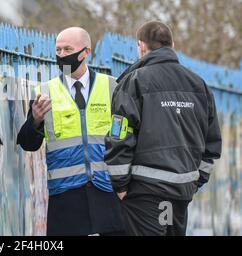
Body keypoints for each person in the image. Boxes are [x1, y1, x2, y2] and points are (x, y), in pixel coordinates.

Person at [104, 21, 222, 236]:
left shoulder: (135, 81)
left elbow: (119, 134)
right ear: (172, 45)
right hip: (181, 192)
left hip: (144, 192)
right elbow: (212, 144)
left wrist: (120, 186)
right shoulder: (199, 85)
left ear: (140, 46)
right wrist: (195, 182)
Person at [17, 27, 124, 236]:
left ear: (86, 52)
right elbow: (27, 143)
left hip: (106, 192)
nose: (62, 55)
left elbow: (124, 133)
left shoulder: (111, 86)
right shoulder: (44, 92)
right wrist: (36, 121)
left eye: (68, 49)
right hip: (65, 197)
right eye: (58, 50)